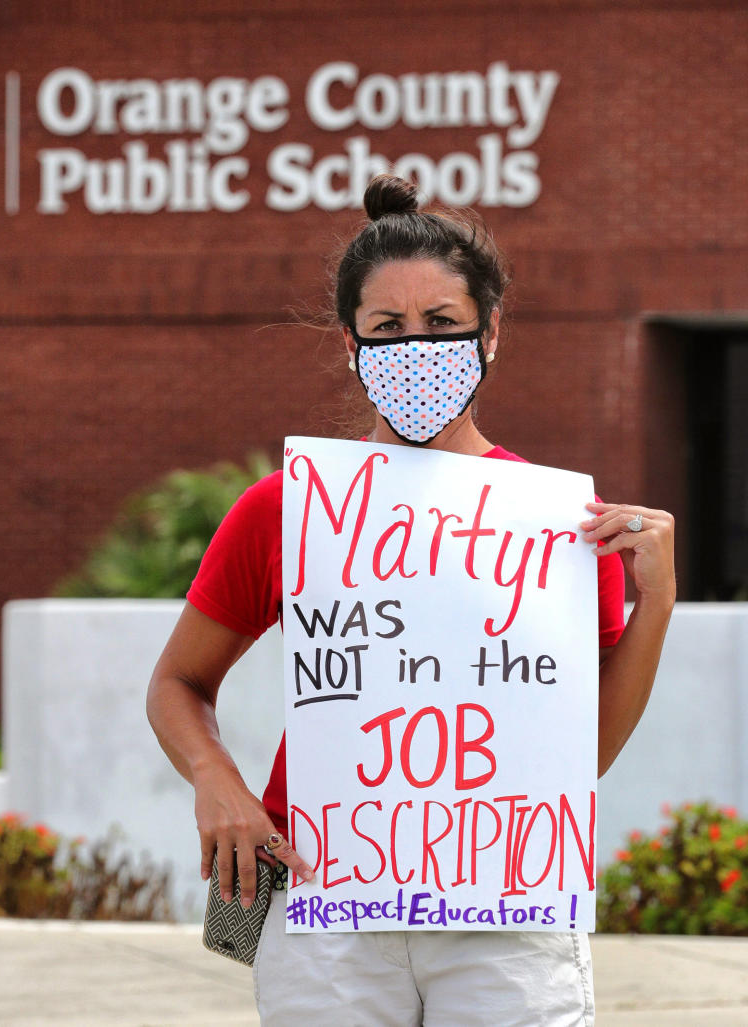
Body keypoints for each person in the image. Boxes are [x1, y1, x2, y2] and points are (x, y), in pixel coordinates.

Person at [146, 173, 675, 1025]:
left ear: (490, 332)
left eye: (441, 324)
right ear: (352, 342)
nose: (414, 348)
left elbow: (583, 756)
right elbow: (176, 682)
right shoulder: (289, 507)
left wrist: (657, 605)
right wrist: (218, 781)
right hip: (325, 907)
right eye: (387, 328)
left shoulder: (557, 524)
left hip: (505, 911)